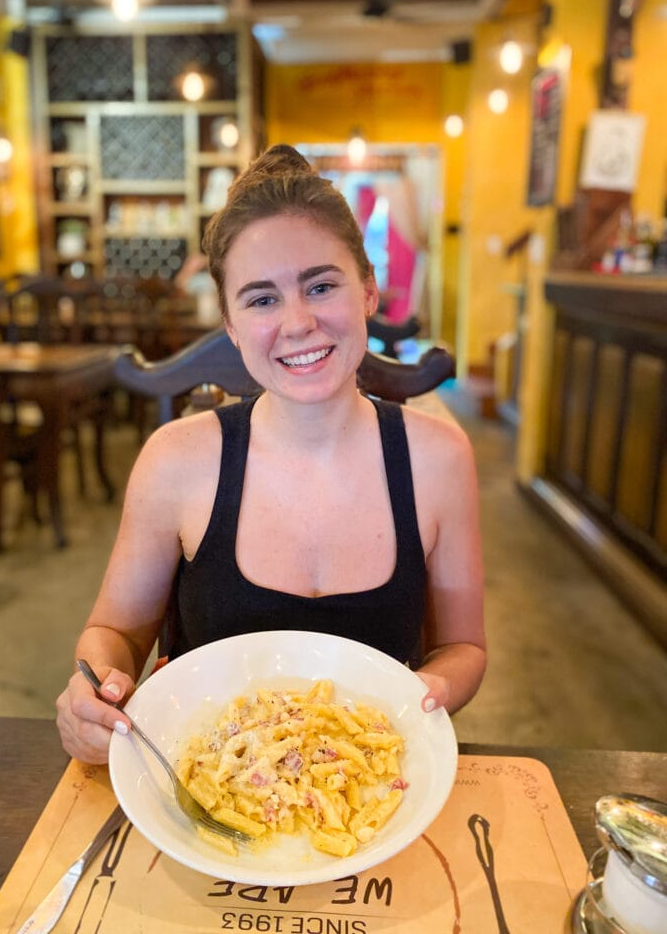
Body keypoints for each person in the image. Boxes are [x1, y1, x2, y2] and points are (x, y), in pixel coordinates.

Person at [56, 144, 486, 764]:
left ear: (368, 290)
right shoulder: (176, 459)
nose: (297, 322)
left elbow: (464, 647)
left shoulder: (438, 458)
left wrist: (426, 693)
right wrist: (95, 693)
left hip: (376, 787)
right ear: (230, 323)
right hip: (216, 794)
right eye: (261, 299)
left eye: (321, 285)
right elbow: (115, 634)